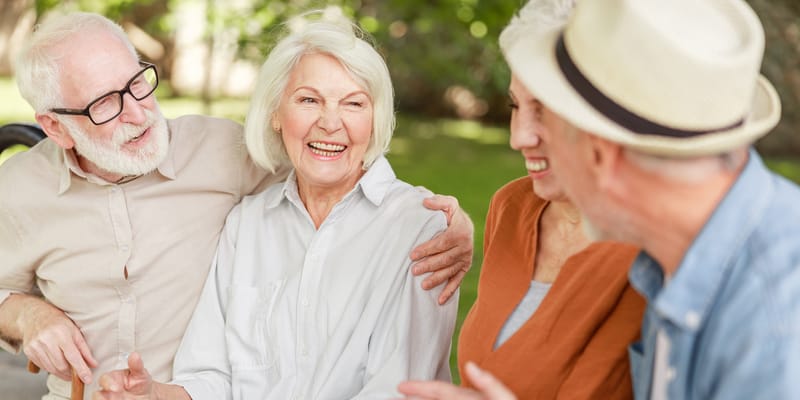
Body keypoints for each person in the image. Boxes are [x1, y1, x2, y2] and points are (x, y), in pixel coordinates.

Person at [0, 11, 472, 399]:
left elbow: (336, 171)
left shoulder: (222, 152)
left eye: (138, 83)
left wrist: (446, 224)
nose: (138, 112)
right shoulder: (18, 188)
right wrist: (25, 314)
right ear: (56, 127)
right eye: (106, 103)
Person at [468, 0, 798, 398]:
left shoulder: (775, 324)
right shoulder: (669, 263)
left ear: (601, 155)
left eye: (552, 119)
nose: (520, 138)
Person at [397, 1, 645, 399]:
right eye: (516, 106)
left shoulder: (655, 252)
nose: (519, 137)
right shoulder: (513, 206)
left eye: (545, 110)